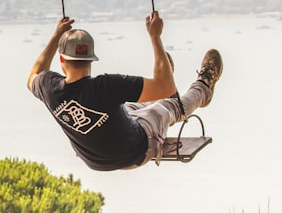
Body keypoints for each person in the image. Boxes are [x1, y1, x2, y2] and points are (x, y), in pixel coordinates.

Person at [26, 12, 223, 170]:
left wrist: (55, 37)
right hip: (137, 150)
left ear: (61, 60)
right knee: (166, 105)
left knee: (129, 106)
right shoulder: (106, 86)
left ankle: (161, 79)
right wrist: (155, 37)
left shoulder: (49, 87)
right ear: (91, 60)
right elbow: (166, 88)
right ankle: (204, 87)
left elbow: (34, 74)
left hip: (95, 161)